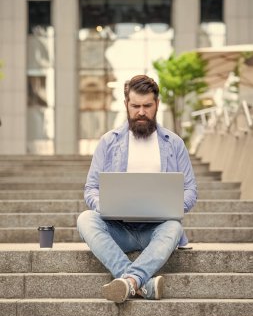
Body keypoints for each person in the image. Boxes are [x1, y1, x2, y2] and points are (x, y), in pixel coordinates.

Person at [77, 75, 197, 303]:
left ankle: (129, 282)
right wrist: (103, 205)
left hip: (157, 230)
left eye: (147, 106)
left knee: (174, 226)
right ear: (126, 105)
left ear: (157, 105)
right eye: (135, 106)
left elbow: (190, 188)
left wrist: (173, 206)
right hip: (118, 229)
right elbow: (91, 187)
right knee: (86, 219)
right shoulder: (108, 142)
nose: (141, 112)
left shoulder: (174, 143)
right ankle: (142, 284)